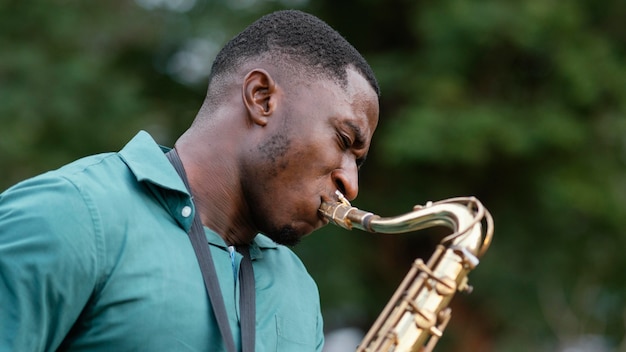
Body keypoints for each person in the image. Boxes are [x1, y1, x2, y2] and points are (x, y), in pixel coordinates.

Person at [0, 9, 380, 352]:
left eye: (358, 163)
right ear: (261, 98)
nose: (351, 184)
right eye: (345, 141)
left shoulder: (297, 287)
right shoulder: (70, 213)